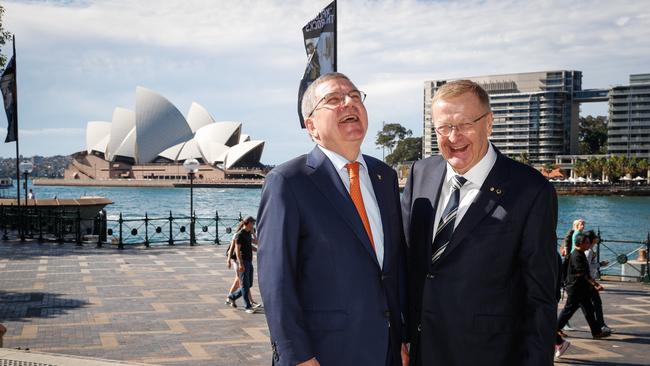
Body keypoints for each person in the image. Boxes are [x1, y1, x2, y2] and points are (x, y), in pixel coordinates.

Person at [401, 80, 558, 365]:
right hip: (420, 352)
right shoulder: (421, 173)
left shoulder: (531, 190)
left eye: (464, 124)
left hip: (489, 354)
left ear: (489, 123)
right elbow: (405, 262)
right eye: (443, 127)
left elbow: (540, 296)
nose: (453, 136)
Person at [257, 72, 408, 366]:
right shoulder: (288, 182)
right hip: (324, 354)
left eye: (354, 96)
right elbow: (277, 279)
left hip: (386, 351)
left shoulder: (384, 176)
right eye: (334, 100)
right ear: (311, 126)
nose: (349, 103)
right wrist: (297, 356)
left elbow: (393, 266)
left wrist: (400, 338)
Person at [557, 233, 611, 339]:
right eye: (586, 242)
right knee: (569, 310)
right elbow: (582, 273)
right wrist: (596, 284)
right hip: (575, 288)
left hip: (581, 288)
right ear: (580, 243)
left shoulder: (580, 253)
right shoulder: (577, 255)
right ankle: (555, 329)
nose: (588, 244)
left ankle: (596, 332)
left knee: (589, 309)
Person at [226, 216, 258, 314]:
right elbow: (236, 250)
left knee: (249, 284)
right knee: (244, 285)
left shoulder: (248, 233)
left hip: (249, 261)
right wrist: (240, 264)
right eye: (253, 223)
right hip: (243, 261)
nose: (254, 225)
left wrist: (253, 233)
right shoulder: (239, 235)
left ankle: (232, 297)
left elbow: (256, 243)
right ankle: (247, 306)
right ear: (247, 223)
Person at [584, 230, 613, 333]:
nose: (597, 238)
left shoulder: (589, 250)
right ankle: (601, 326)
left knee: (575, 306)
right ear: (592, 239)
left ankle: (600, 325)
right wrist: (600, 264)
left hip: (587, 281)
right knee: (596, 303)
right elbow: (587, 266)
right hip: (587, 282)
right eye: (595, 237)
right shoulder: (589, 251)